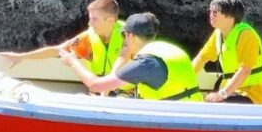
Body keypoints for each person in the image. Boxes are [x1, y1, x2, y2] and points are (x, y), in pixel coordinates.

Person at [60, 13, 203, 102]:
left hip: (173, 127)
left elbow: (95, 85)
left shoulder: (145, 63)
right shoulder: (170, 49)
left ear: (130, 36)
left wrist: (73, 62)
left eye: (124, 36)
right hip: (192, 115)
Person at [0, 0, 126, 78]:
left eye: (94, 19)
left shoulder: (130, 36)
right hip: (101, 90)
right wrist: (20, 57)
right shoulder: (89, 36)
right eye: (90, 18)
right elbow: (58, 50)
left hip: (127, 94)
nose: (89, 23)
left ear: (109, 20)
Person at [191, 0, 262, 104]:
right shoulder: (218, 34)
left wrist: (222, 94)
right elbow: (201, 58)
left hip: (252, 95)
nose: (211, 15)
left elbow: (245, 70)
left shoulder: (246, 35)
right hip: (232, 93)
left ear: (229, 16)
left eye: (215, 12)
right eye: (210, 11)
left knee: (217, 106)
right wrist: (183, 78)